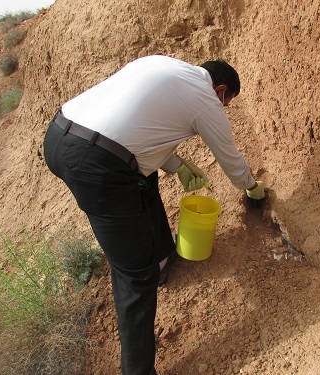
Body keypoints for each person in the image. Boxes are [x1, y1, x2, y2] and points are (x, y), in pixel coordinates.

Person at [43, 55, 265, 375]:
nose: (224, 108)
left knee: (144, 179)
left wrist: (176, 165)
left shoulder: (163, 65)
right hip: (96, 166)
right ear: (221, 90)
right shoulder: (206, 99)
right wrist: (252, 188)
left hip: (60, 132)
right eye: (226, 102)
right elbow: (230, 158)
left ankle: (162, 256)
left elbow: (136, 129)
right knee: (134, 275)